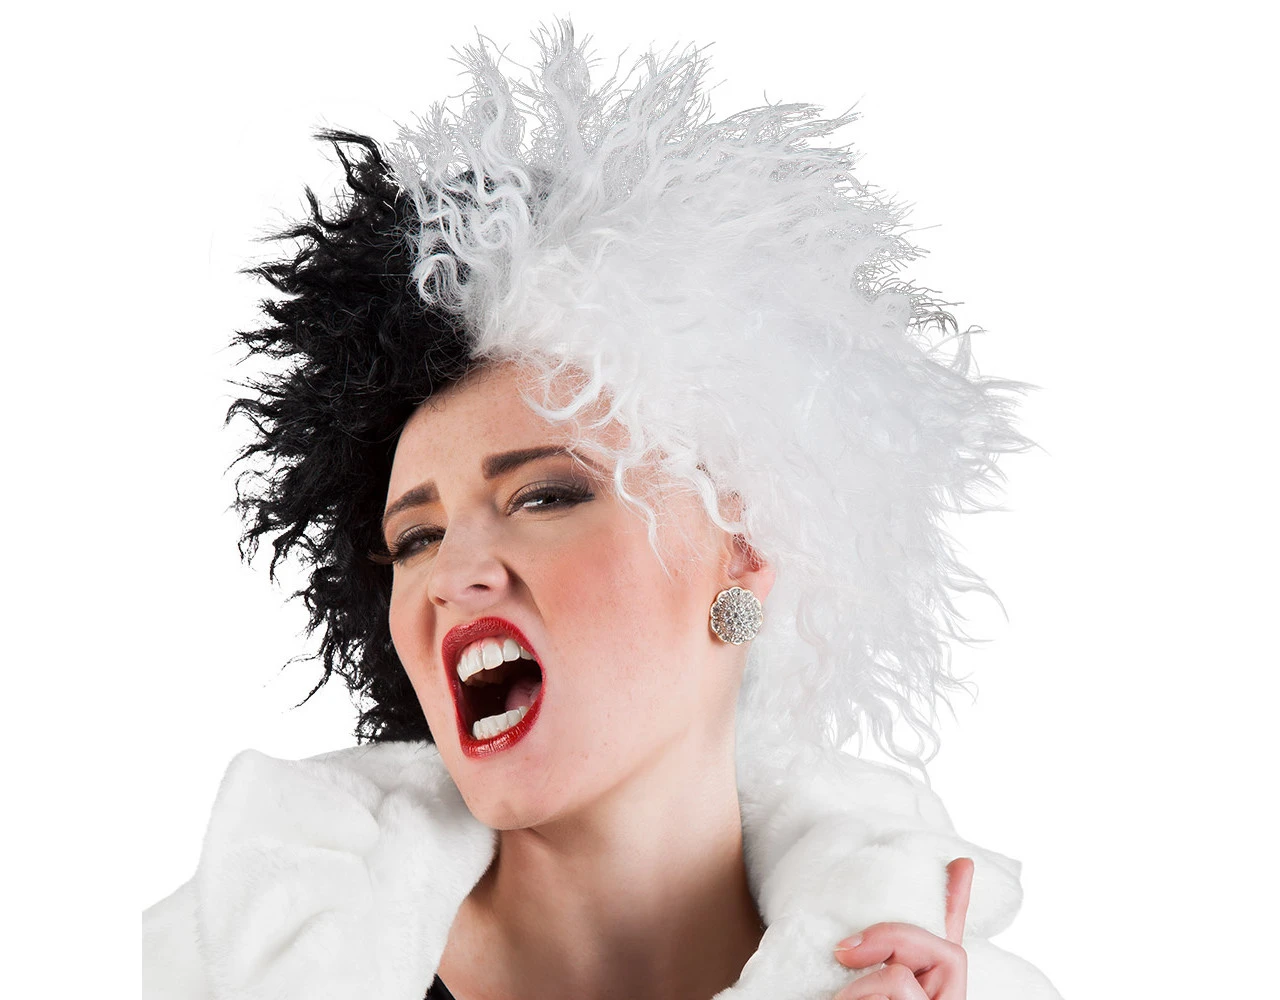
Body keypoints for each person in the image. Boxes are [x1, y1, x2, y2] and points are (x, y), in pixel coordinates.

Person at [142, 19, 1063, 1000]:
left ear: (744, 548)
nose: (451, 574)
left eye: (544, 495)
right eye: (415, 537)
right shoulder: (199, 968)